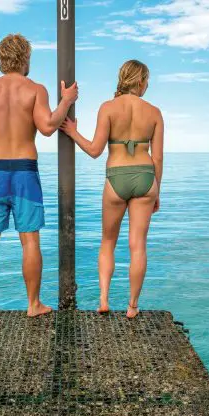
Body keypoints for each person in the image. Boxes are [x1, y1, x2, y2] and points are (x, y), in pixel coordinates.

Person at [0, 33, 79, 319]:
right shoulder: (35, 89)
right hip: (25, 172)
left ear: (0, 59)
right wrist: (66, 101)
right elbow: (48, 126)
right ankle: (33, 305)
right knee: (30, 240)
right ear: (25, 58)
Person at [59, 60, 163, 319]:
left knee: (108, 242)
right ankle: (132, 306)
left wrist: (73, 132)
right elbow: (158, 158)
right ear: (140, 81)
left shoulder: (108, 108)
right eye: (147, 80)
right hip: (146, 177)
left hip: (116, 178)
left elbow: (95, 150)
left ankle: (103, 300)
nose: (147, 85)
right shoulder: (154, 112)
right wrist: (156, 190)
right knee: (137, 245)